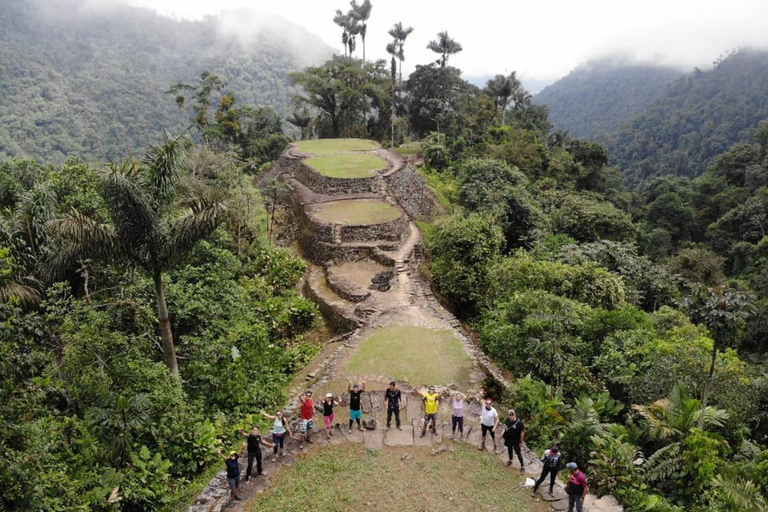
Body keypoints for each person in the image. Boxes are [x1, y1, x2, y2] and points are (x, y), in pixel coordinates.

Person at [502, 409, 526, 474]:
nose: (511, 416)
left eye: (512, 414)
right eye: (510, 415)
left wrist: (521, 441)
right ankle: (510, 460)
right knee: (509, 449)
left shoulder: (519, 423)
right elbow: (506, 426)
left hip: (516, 440)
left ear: (515, 415)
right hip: (509, 438)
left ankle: (522, 466)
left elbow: (522, 432)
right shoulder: (507, 420)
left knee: (518, 453)